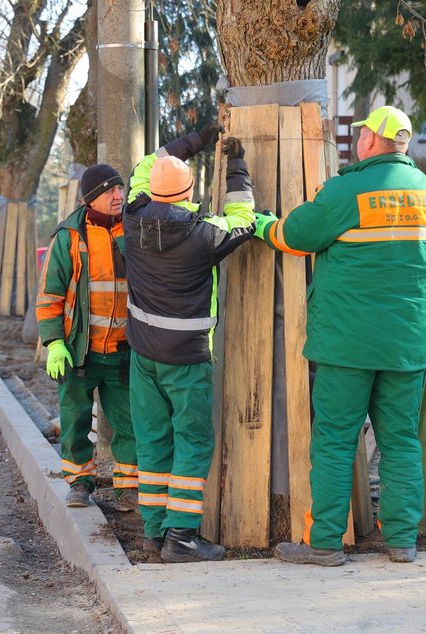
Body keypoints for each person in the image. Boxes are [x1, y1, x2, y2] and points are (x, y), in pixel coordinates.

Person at [253, 105, 426, 566]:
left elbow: (296, 236)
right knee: (401, 442)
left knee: (334, 441)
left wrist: (263, 225)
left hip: (346, 346)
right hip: (407, 347)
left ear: (369, 142)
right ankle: (402, 541)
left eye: (361, 133)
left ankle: (324, 542)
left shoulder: (346, 191)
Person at [123, 123, 256, 563]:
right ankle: (182, 538)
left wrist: (195, 139)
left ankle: (153, 532)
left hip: (143, 355)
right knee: (193, 442)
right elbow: (244, 220)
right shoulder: (204, 235)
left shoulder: (131, 214)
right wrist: (236, 166)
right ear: (189, 191)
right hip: (186, 357)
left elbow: (146, 163)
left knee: (153, 440)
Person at [36, 164, 138, 511]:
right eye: (110, 191)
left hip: (123, 351)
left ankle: (129, 489)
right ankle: (80, 483)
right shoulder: (69, 236)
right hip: (80, 352)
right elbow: (50, 295)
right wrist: (54, 343)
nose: (118, 196)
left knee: (130, 423)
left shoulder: (132, 229)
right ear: (90, 198)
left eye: (120, 189)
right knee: (75, 421)